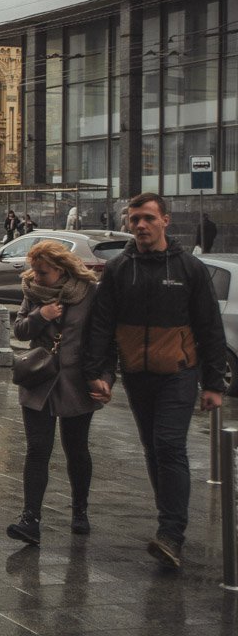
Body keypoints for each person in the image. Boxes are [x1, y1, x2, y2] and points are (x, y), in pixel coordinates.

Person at [84, 192, 226, 568]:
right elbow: (101, 326)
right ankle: (169, 525)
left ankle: (171, 533)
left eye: (147, 218)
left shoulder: (188, 269)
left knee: (169, 445)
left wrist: (214, 384)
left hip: (179, 372)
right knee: (151, 448)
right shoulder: (119, 269)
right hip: (136, 373)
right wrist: (101, 374)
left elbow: (210, 327)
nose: (140, 226)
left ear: (165, 221)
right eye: (134, 220)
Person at [6, 240, 104, 546]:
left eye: (43, 272)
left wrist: (105, 377)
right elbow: (20, 330)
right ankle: (30, 519)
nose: (36, 277)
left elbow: (102, 340)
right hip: (39, 380)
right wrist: (42, 315)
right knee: (38, 449)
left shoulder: (88, 293)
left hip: (76, 382)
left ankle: (80, 511)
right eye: (34, 270)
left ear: (61, 270)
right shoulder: (32, 292)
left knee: (77, 449)